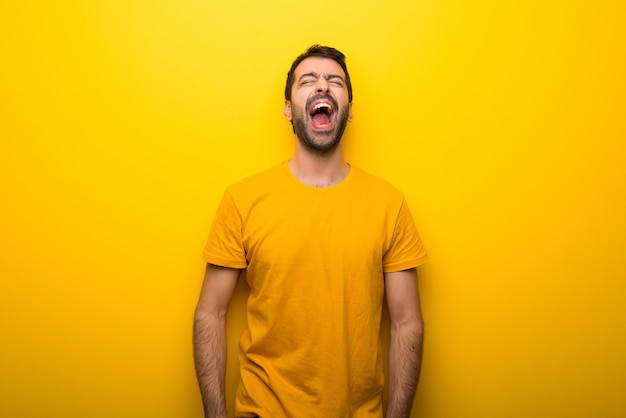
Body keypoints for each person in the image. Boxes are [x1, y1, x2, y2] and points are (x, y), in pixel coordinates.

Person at [193, 45, 428, 418]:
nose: (323, 87)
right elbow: (210, 313)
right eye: (309, 81)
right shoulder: (242, 200)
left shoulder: (390, 204)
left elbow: (406, 323)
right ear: (288, 108)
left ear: (349, 111)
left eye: (334, 81)